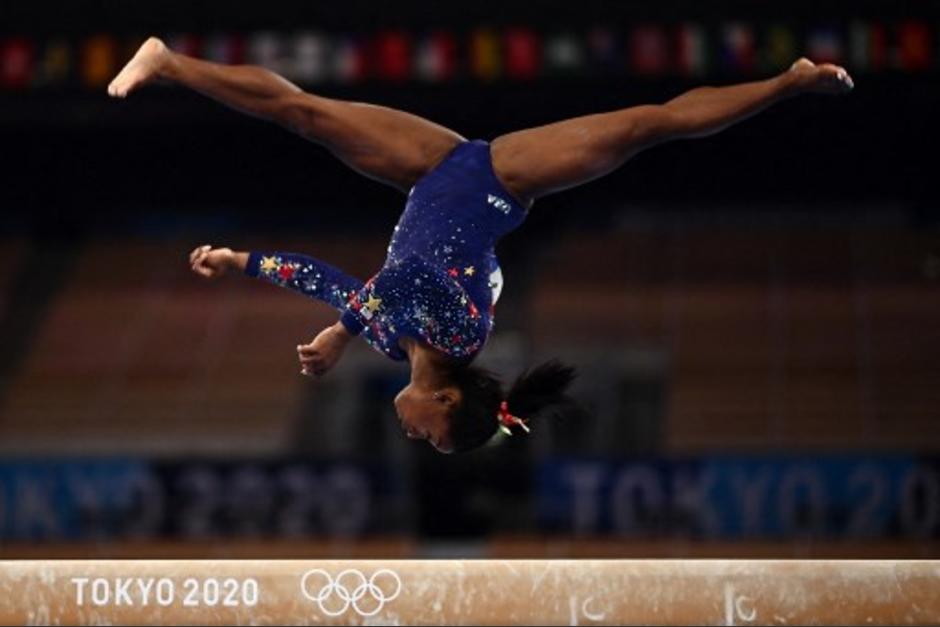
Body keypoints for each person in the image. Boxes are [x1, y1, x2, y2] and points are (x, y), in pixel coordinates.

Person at [109, 37, 854, 453]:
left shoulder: (393, 344)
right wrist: (341, 332)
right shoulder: (460, 335)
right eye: (435, 439)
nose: (418, 438)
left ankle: (168, 62)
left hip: (431, 170)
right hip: (499, 180)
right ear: (447, 399)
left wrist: (240, 261)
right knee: (645, 126)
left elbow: (326, 280)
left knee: (303, 112)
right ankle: (786, 83)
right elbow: (403, 277)